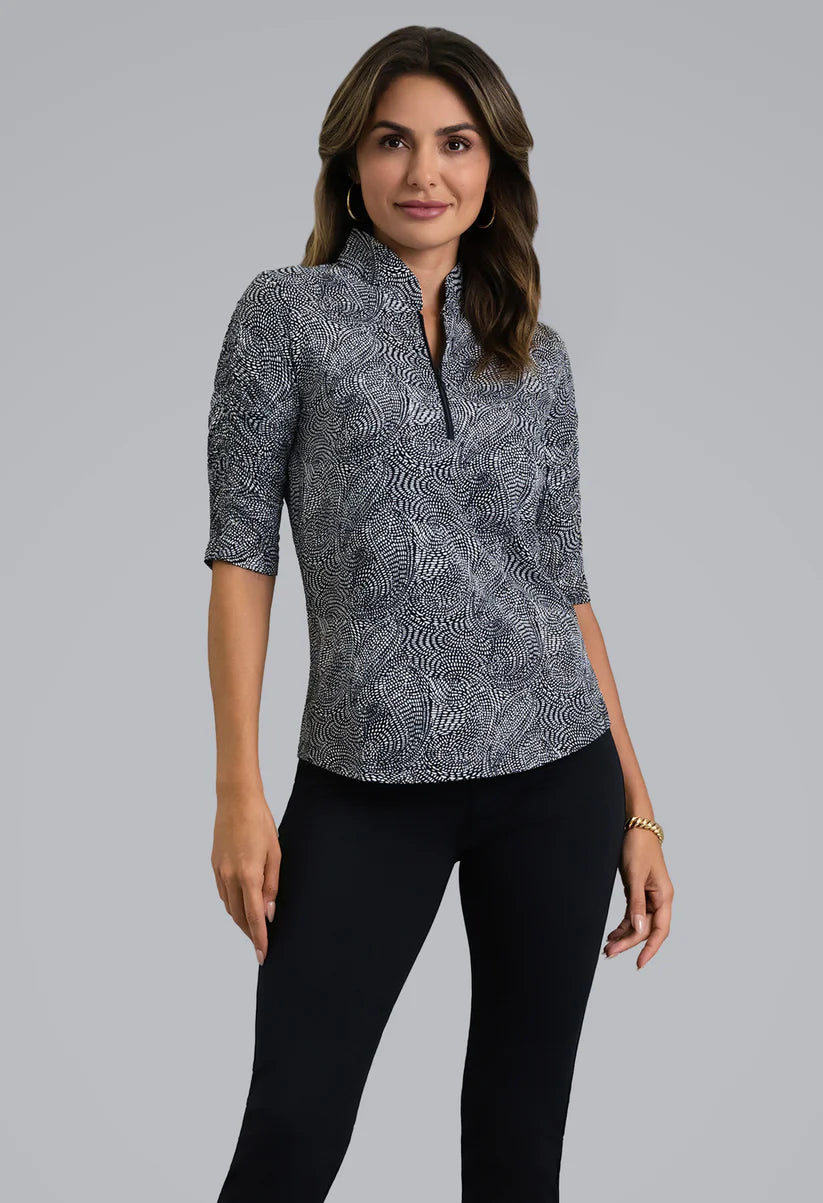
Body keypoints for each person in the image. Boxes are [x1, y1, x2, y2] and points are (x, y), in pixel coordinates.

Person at [204, 24, 674, 1203]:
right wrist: (238, 790)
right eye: (392, 141)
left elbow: (564, 587)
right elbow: (241, 555)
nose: (424, 171)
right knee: (290, 1132)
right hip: (364, 788)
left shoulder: (534, 352)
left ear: (493, 165)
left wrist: (638, 808)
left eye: (455, 143)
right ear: (350, 164)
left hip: (554, 778)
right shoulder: (286, 317)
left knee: (518, 1149)